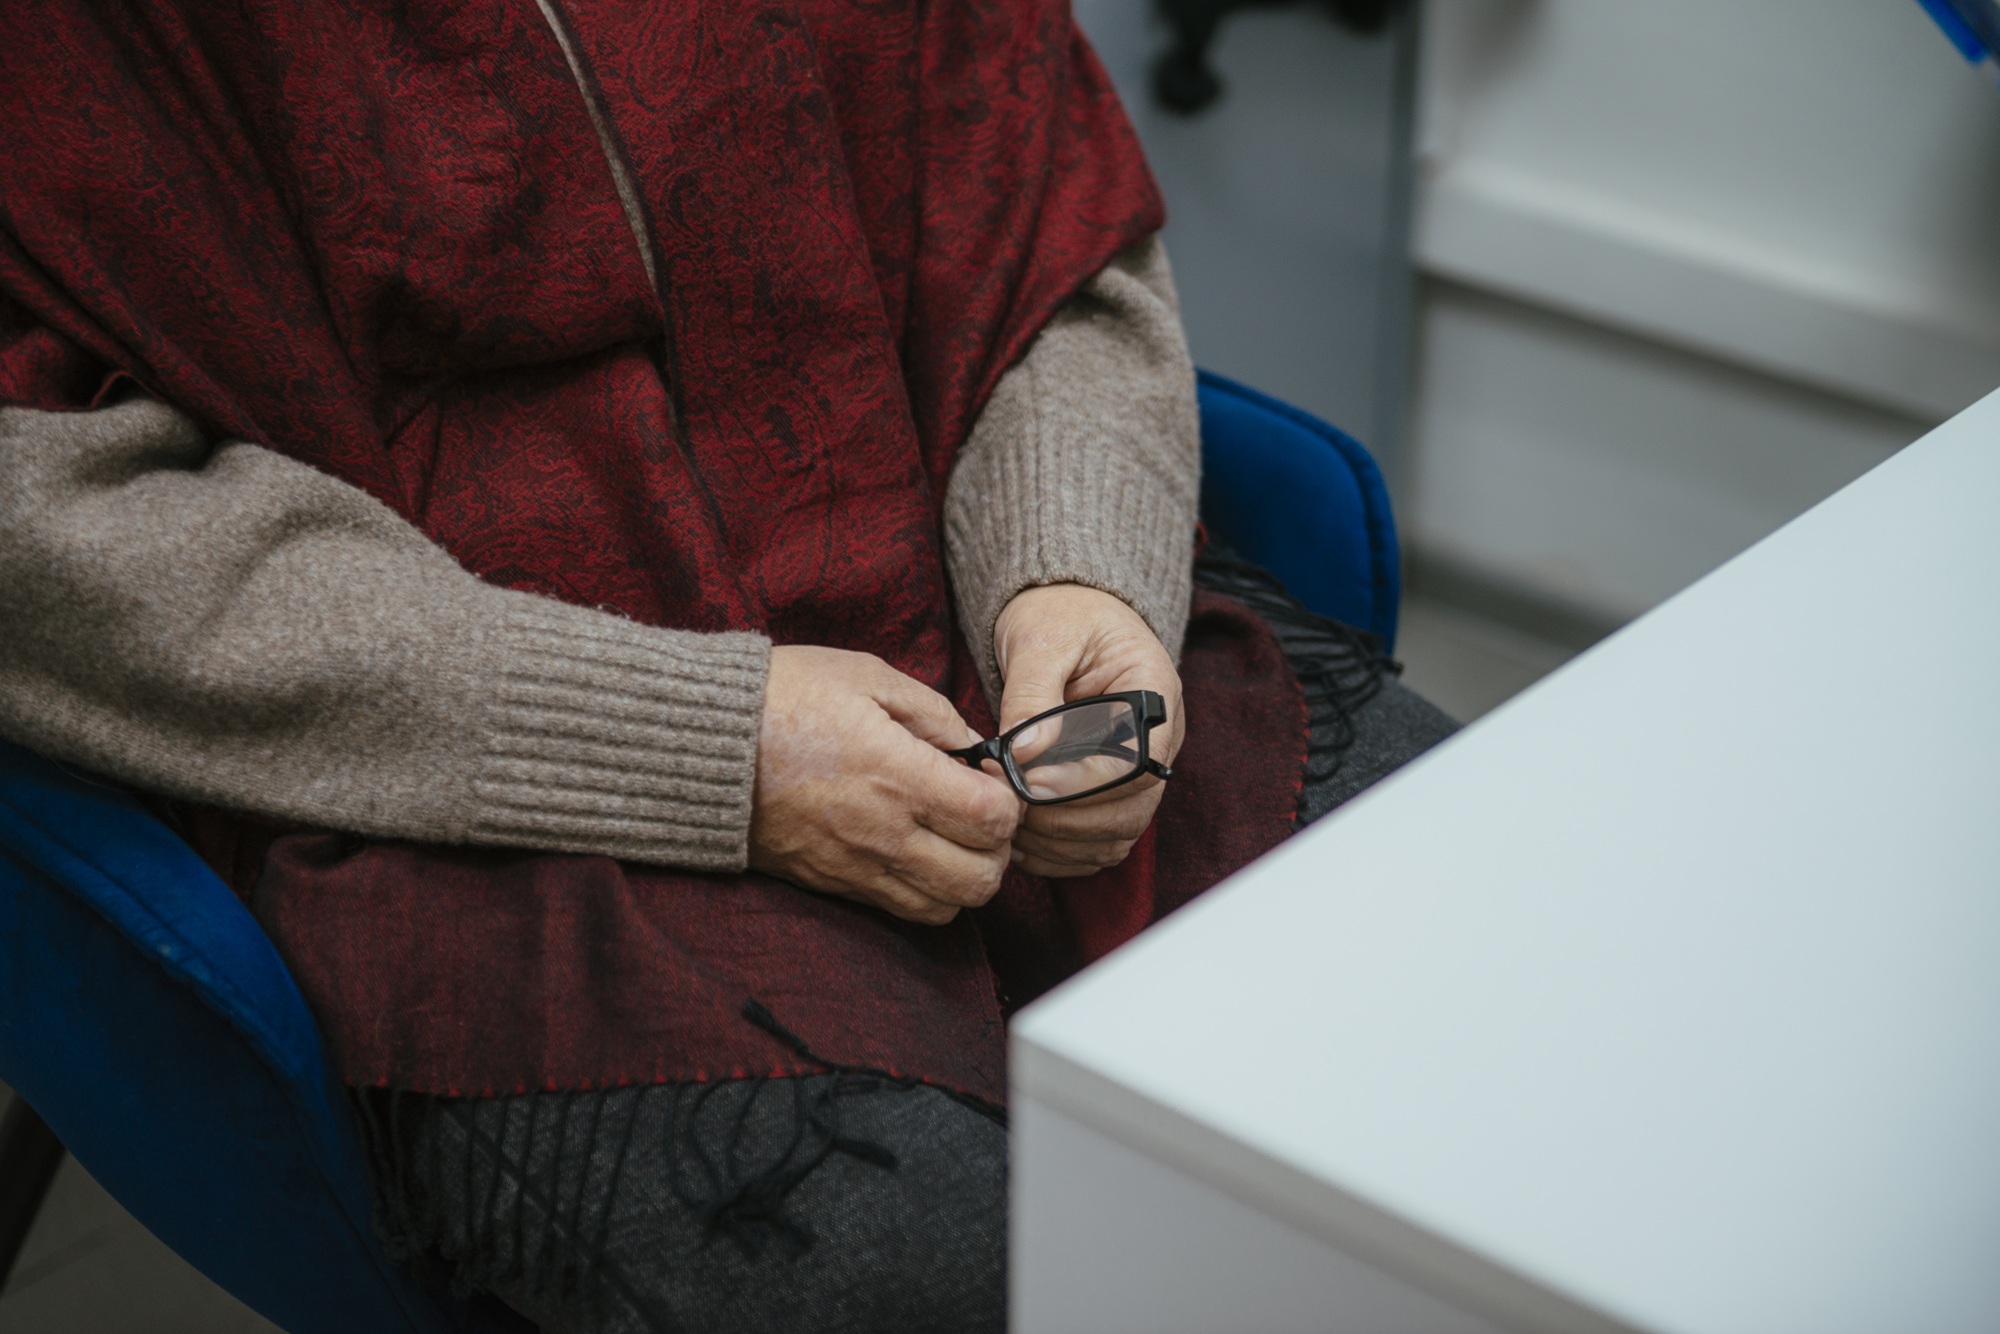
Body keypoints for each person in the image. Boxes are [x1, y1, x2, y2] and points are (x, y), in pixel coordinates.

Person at [0, 3, 1454, 1330]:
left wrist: (1076, 565)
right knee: (944, 1274)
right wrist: (701, 743)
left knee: (1488, 963)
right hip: (482, 778)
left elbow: (1040, 230)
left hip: (965, 587)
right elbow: (49, 526)